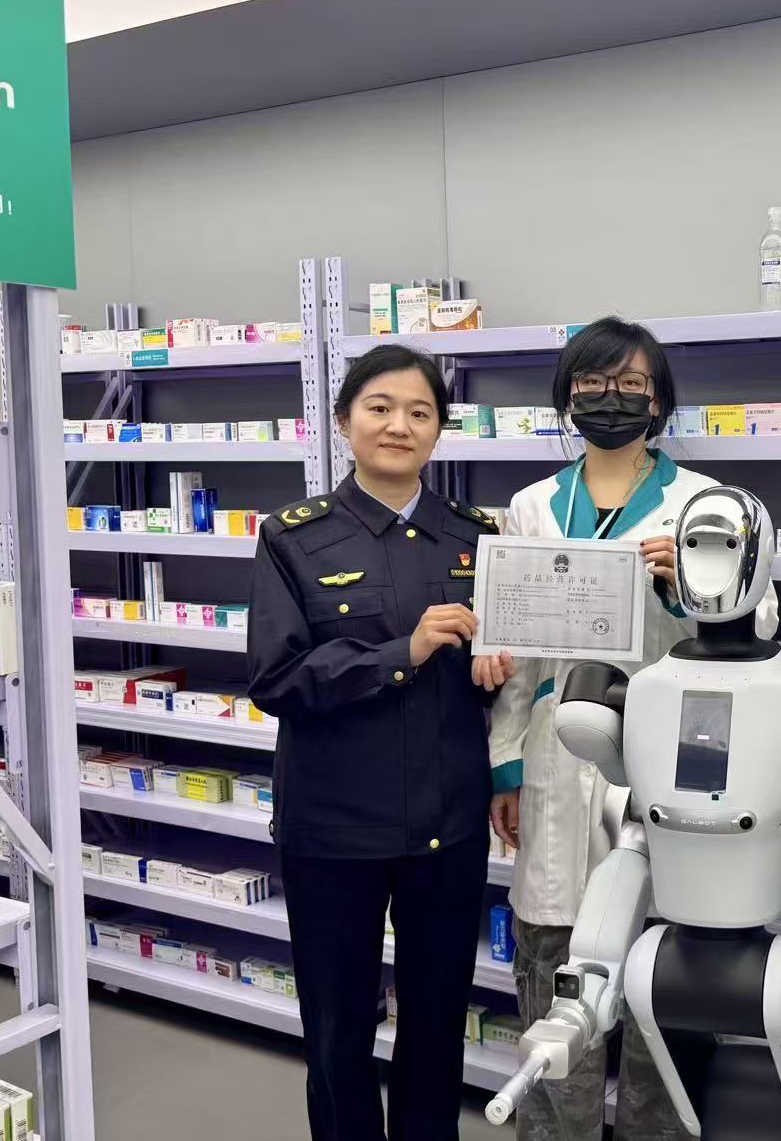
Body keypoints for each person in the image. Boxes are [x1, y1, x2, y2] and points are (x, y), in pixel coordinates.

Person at [487, 316, 779, 1141]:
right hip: (555, 759)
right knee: (554, 978)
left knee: (664, 981)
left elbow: (762, 628)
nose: (610, 397)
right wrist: (506, 765)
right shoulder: (534, 505)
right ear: (567, 395)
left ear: (659, 400)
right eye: (592, 382)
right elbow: (518, 654)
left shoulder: (707, 504)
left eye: (630, 384)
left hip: (670, 760)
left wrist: (687, 588)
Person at [247, 343, 518, 1141]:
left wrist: (496, 664)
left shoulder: (478, 538)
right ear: (344, 421)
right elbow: (275, 677)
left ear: (438, 429)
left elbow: (491, 676)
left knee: (436, 1028)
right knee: (338, 1032)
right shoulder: (293, 538)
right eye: (380, 407)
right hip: (334, 830)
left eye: (419, 411)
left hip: (448, 825)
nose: (399, 424)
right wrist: (404, 651)